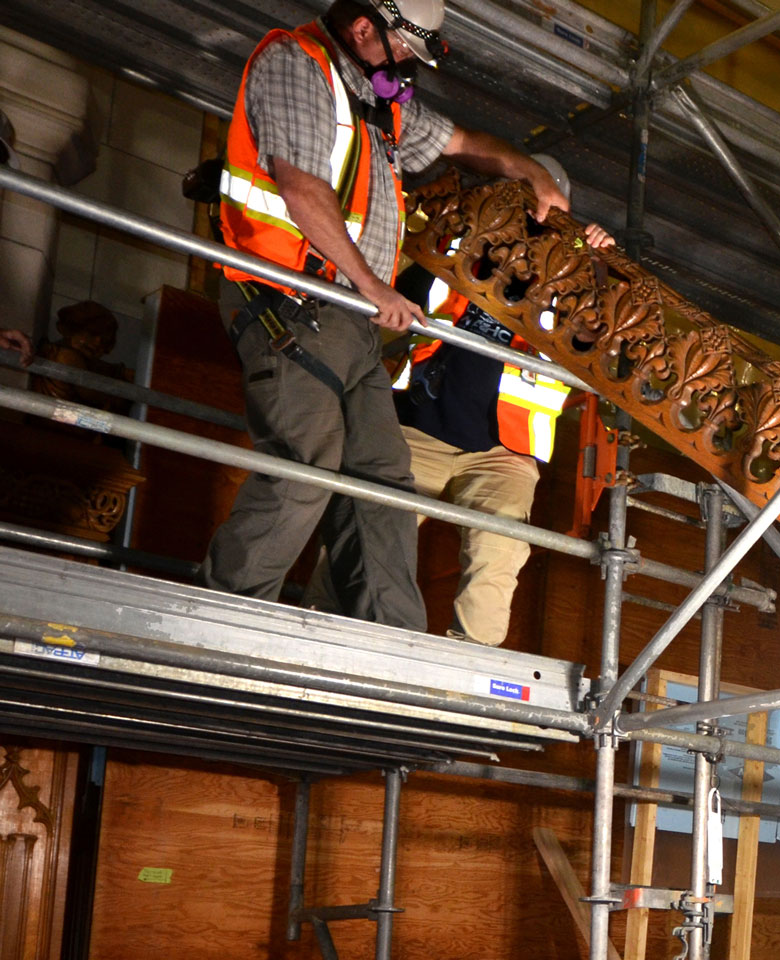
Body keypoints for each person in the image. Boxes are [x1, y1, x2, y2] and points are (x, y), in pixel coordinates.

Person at [199, 0, 569, 630]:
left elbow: (458, 143)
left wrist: (527, 169)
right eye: (405, 49)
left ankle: (392, 640)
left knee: (382, 483)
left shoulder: (380, 101)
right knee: (306, 468)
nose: (407, 67)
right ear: (365, 27)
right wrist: (375, 287)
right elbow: (301, 188)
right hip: (289, 302)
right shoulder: (296, 65)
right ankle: (227, 619)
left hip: (348, 319)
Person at [316, 154, 610, 644]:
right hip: (418, 426)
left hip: (505, 452)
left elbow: (598, 345)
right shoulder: (458, 242)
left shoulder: (575, 277)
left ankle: (470, 665)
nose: (525, 211)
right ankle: (322, 624)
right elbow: (396, 295)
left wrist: (598, 265)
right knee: (368, 523)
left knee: (500, 548)